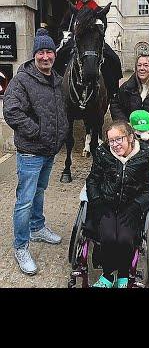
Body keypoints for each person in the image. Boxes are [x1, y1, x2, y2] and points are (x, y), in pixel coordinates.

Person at [2, 29, 68, 275]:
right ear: (34, 55)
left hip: (49, 151)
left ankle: (38, 227)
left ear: (54, 54)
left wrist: (62, 133)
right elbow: (11, 111)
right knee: (24, 200)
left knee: (39, 191)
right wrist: (37, 131)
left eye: (49, 51)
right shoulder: (22, 80)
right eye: (40, 52)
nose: (45, 56)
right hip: (31, 152)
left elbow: (61, 112)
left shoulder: (58, 80)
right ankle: (21, 246)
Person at [84, 120, 149, 288]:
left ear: (130, 137)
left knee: (124, 238)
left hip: (131, 206)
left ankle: (123, 274)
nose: (115, 145)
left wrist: (136, 206)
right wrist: (96, 202)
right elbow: (92, 180)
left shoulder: (145, 156)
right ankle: (108, 275)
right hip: (106, 203)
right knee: (108, 237)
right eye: (111, 140)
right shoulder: (103, 153)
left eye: (119, 139)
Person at [54, 0, 123, 102]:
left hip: (94, 41)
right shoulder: (72, 10)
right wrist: (65, 35)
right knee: (58, 57)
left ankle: (113, 93)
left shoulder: (97, 10)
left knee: (113, 59)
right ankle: (55, 91)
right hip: (75, 40)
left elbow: (104, 27)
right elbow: (63, 27)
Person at [110, 50, 149, 161]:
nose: (141, 68)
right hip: (129, 142)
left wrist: (148, 143)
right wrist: (125, 126)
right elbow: (115, 104)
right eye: (139, 65)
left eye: (146, 65)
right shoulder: (127, 87)